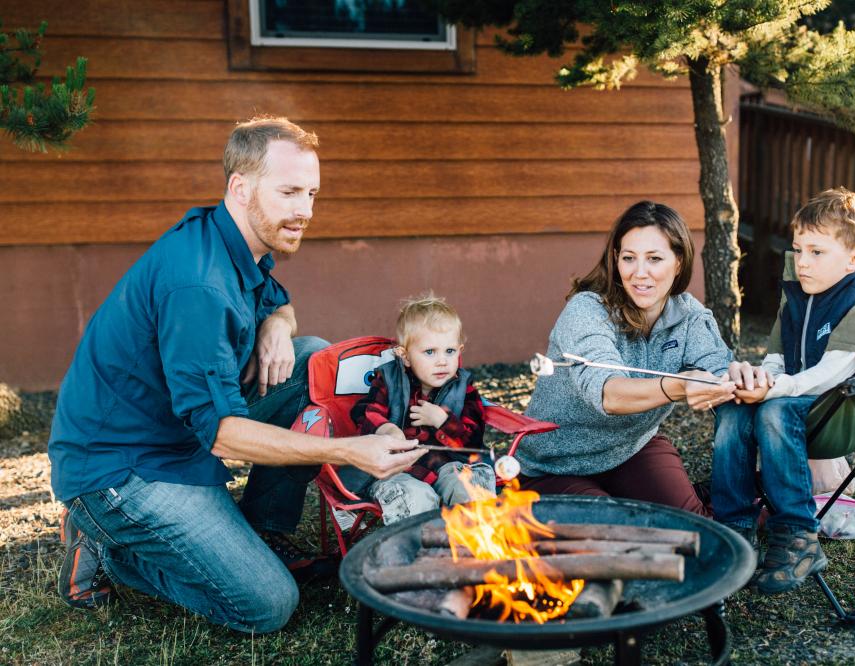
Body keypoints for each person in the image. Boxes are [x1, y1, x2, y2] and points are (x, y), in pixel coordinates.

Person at [47, 116, 426, 632]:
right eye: (290, 192)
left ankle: (264, 529)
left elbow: (277, 300)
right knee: (267, 604)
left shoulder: (233, 240)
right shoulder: (198, 285)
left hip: (174, 431)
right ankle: (110, 547)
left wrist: (278, 322)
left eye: (312, 193)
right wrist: (344, 450)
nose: (304, 211)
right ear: (240, 187)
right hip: (122, 468)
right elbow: (224, 436)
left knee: (309, 356)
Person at [712, 187, 855, 595]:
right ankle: (735, 529)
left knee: (773, 411)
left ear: (854, 260)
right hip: (802, 398)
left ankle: (798, 537)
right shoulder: (796, 299)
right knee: (734, 407)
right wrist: (758, 381)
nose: (802, 262)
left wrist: (772, 392)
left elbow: (830, 373)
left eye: (816, 252)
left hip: (852, 407)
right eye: (799, 249)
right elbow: (775, 357)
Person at [516, 201, 737, 514]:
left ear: (678, 262)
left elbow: (720, 370)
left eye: (655, 259)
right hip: (555, 465)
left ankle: (710, 498)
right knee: (619, 533)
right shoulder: (586, 310)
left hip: (631, 450)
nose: (639, 273)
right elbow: (608, 395)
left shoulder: (689, 316)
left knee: (690, 528)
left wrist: (742, 377)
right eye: (629, 258)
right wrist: (679, 386)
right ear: (615, 260)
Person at [350, 295, 494, 524]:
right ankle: (421, 553)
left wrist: (444, 421)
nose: (442, 361)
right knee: (417, 498)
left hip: (447, 465)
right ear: (405, 356)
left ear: (460, 350)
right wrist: (386, 428)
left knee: (467, 488)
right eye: (430, 352)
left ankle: (473, 549)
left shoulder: (462, 387)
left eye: (449, 351)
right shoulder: (389, 380)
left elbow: (473, 437)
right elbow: (365, 412)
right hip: (398, 471)